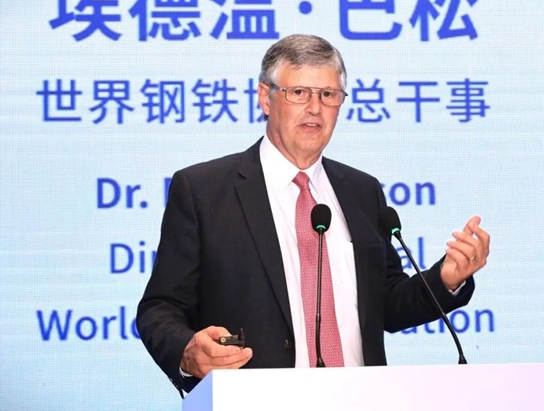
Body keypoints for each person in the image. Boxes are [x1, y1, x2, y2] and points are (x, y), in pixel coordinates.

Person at [136, 34, 490, 395]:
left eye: (328, 95)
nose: (315, 108)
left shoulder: (362, 191)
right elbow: (160, 307)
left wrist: (445, 279)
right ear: (265, 98)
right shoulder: (204, 190)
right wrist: (187, 353)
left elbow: (387, 304)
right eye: (299, 93)